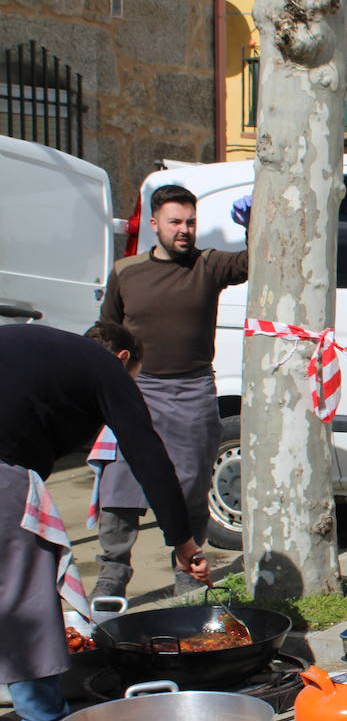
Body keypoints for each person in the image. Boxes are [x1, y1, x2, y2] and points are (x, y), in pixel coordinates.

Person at [0, 321, 209, 721]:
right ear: (123, 360)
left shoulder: (36, 346)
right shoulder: (105, 368)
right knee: (21, 600)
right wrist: (182, 539)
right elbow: (146, 453)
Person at [93, 184, 248, 598]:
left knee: (192, 486)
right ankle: (112, 572)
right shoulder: (127, 272)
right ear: (155, 223)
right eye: (175, 221)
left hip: (193, 388)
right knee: (120, 483)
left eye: (191, 222)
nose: (184, 230)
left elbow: (253, 263)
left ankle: (187, 570)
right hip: (137, 390)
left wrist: (257, 226)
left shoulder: (208, 265)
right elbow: (106, 332)